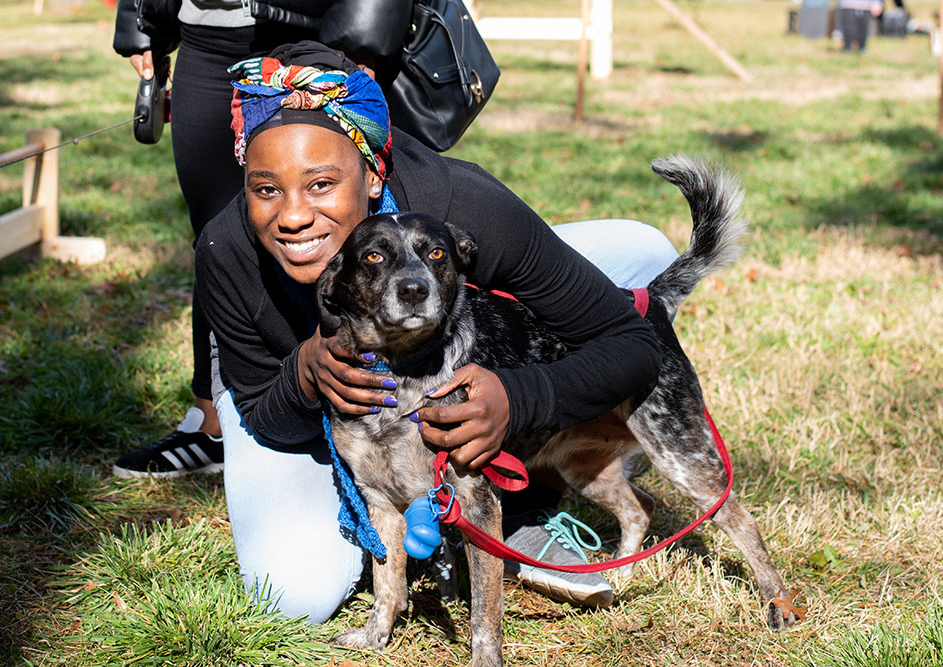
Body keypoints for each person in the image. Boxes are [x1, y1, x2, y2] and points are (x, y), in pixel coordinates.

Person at [195, 41, 681, 619]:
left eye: (321, 184)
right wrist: (304, 377)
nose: (294, 214)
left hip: (458, 324)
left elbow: (634, 346)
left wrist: (521, 400)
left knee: (644, 252)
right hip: (300, 414)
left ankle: (531, 485)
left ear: (372, 174)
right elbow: (259, 411)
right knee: (293, 598)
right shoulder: (227, 250)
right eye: (266, 188)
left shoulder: (461, 201)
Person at [110, 0, 412, 480]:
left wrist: (364, 32)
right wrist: (142, 20)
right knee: (221, 237)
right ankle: (214, 424)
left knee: (347, 225)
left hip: (324, 28)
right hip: (207, 38)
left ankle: (393, 408)